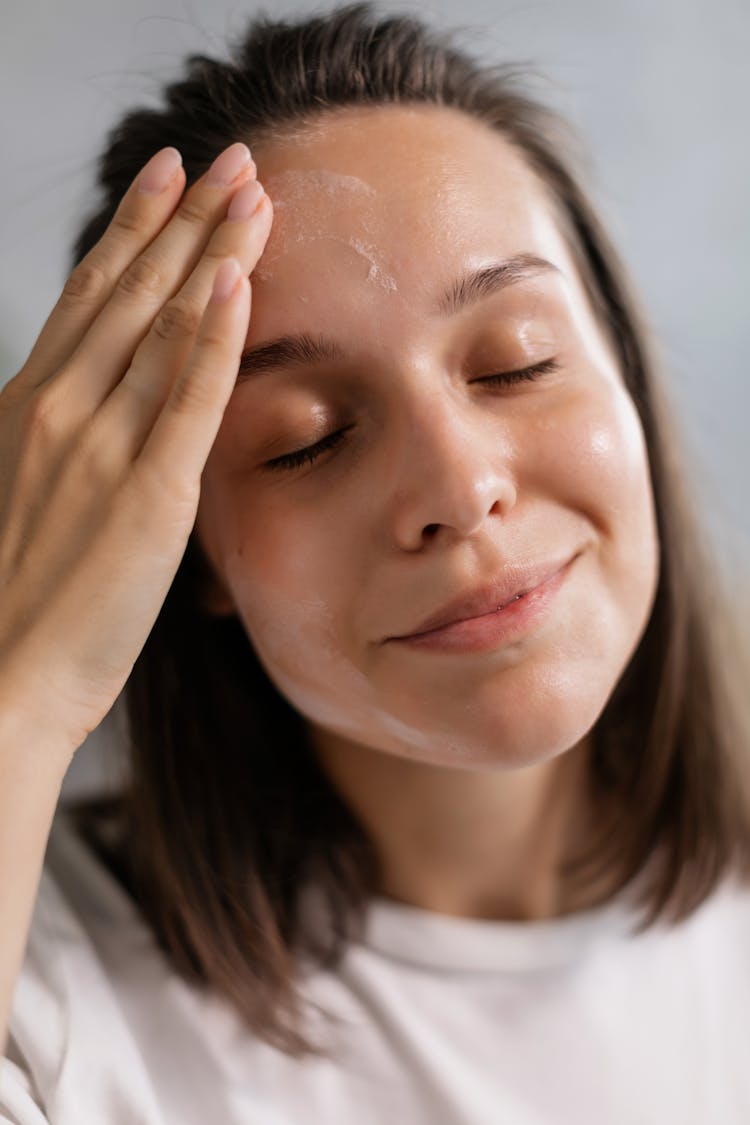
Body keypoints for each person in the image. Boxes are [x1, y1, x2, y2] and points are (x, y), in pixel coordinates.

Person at [1, 2, 749, 1122]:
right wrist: (22, 688)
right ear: (177, 545)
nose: (457, 491)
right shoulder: (50, 988)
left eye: (516, 361)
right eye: (304, 438)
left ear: (629, 377)